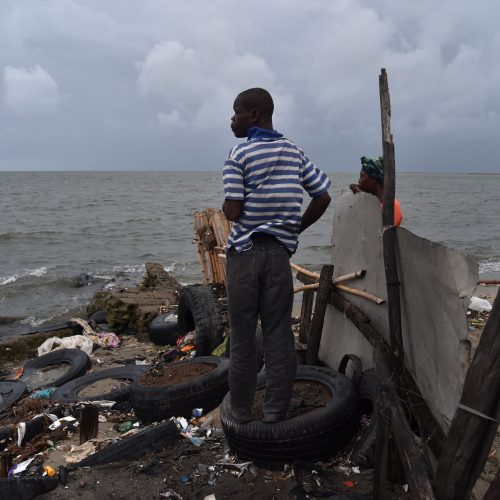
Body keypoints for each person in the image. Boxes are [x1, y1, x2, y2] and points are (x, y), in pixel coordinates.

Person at [222, 88, 331, 423]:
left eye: (236, 112)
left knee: (242, 338)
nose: (232, 119)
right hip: (279, 257)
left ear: (255, 115)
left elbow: (232, 210)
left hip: (244, 255)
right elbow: (322, 196)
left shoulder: (238, 154)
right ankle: (274, 414)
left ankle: (239, 413)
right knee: (278, 337)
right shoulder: (294, 152)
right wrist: (293, 228)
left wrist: (235, 205)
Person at [349, 156, 403, 226]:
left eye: (362, 176)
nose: (359, 181)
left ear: (374, 179)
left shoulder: (391, 208)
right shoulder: (376, 202)